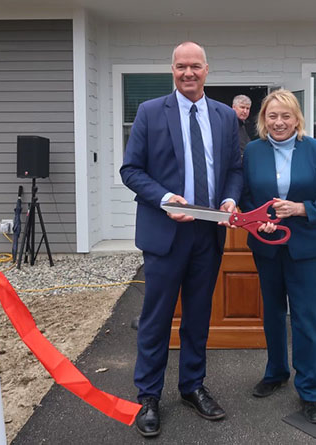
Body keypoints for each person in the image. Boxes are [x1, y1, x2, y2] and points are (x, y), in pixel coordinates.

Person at [120, 41, 243, 438]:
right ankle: (148, 397)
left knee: (198, 316)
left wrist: (229, 198)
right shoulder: (150, 112)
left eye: (195, 66)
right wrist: (164, 198)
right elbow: (131, 169)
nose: (188, 73)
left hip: (207, 234)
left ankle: (192, 386)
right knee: (156, 319)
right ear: (171, 70)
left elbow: (235, 168)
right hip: (165, 232)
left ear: (207, 69)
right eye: (180, 67)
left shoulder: (225, 117)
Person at [240, 89, 316, 424]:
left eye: (286, 116)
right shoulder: (252, 152)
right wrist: (259, 221)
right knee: (272, 312)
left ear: (297, 119)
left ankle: (311, 391)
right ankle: (276, 372)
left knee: (307, 318)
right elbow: (244, 197)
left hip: (305, 248)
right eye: (272, 116)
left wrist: (300, 208)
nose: (279, 122)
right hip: (266, 246)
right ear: (263, 120)